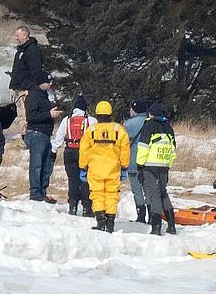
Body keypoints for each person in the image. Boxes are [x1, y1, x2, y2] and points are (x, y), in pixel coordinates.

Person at [79, 100, 131, 233]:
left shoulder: (91, 130)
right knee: (112, 195)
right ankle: (110, 223)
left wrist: (83, 167)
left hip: (95, 170)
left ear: (97, 113)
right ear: (110, 113)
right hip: (113, 169)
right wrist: (124, 166)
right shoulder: (118, 130)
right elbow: (125, 149)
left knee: (97, 194)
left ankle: (101, 222)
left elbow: (84, 150)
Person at [135, 102, 177, 236]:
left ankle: (156, 227)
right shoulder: (169, 128)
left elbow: (143, 148)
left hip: (150, 166)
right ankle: (172, 225)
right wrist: (168, 165)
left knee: (154, 195)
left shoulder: (149, 126)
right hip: (164, 166)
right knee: (163, 193)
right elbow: (173, 151)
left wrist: (139, 165)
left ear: (151, 113)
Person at [52, 94, 96, 216]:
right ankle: (87, 207)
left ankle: (73, 206)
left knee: (73, 180)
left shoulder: (67, 120)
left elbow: (58, 139)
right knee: (86, 180)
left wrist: (53, 151)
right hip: (86, 153)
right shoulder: (91, 120)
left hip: (70, 152)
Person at [23, 76, 63, 202]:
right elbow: (31, 116)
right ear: (41, 82)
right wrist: (49, 114)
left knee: (47, 165)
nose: (50, 83)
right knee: (37, 164)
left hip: (45, 134)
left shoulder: (44, 95)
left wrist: (52, 114)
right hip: (36, 133)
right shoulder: (33, 95)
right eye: (48, 81)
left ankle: (42, 191)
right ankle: (35, 192)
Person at [9, 25, 43, 133]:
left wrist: (30, 88)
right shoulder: (20, 51)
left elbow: (35, 71)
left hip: (26, 89)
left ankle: (27, 136)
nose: (16, 38)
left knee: (26, 115)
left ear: (25, 35)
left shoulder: (32, 50)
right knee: (20, 115)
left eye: (18, 35)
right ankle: (23, 134)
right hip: (18, 88)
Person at [123, 98, 152, 222]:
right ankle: (152, 216)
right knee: (148, 189)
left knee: (137, 189)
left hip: (134, 161)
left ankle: (141, 216)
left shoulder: (129, 124)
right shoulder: (151, 122)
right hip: (149, 161)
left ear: (135, 109)